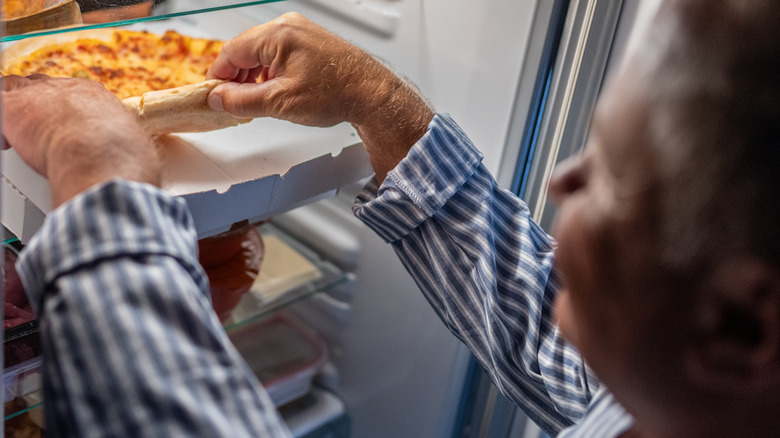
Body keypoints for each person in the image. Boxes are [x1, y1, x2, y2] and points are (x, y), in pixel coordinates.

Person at [2, 1, 778, 437]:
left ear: (741, 327)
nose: (559, 179)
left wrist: (98, 166)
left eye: (612, 171)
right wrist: (382, 104)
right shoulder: (700, 397)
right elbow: (566, 348)